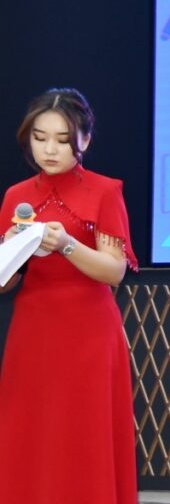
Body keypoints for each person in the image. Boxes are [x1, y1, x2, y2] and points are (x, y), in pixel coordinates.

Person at [0, 88, 138, 503]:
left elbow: (114, 271)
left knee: (85, 434)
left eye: (62, 140)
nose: (49, 150)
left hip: (90, 332)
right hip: (33, 330)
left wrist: (67, 245)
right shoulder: (15, 196)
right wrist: (12, 249)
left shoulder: (104, 191)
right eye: (39, 138)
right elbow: (5, 283)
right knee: (31, 432)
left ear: (85, 140)